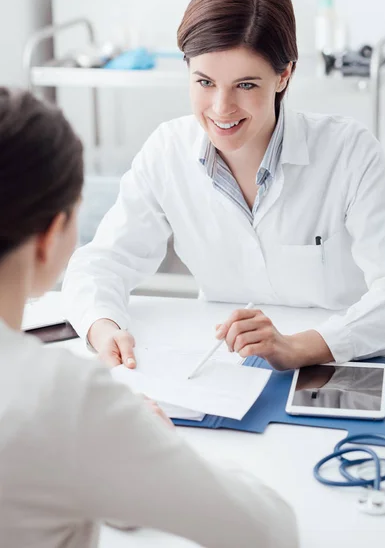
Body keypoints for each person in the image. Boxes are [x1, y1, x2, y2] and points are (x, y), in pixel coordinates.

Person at [0, 87, 298, 547]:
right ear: (51, 234)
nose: (222, 105)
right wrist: (142, 443)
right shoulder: (65, 400)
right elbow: (269, 530)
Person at [63, 0, 385, 371]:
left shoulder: (348, 152)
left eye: (245, 84)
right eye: (204, 82)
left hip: (340, 365)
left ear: (284, 75)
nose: (222, 108)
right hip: (220, 369)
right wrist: (103, 327)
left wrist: (302, 347)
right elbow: (101, 263)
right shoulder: (166, 151)